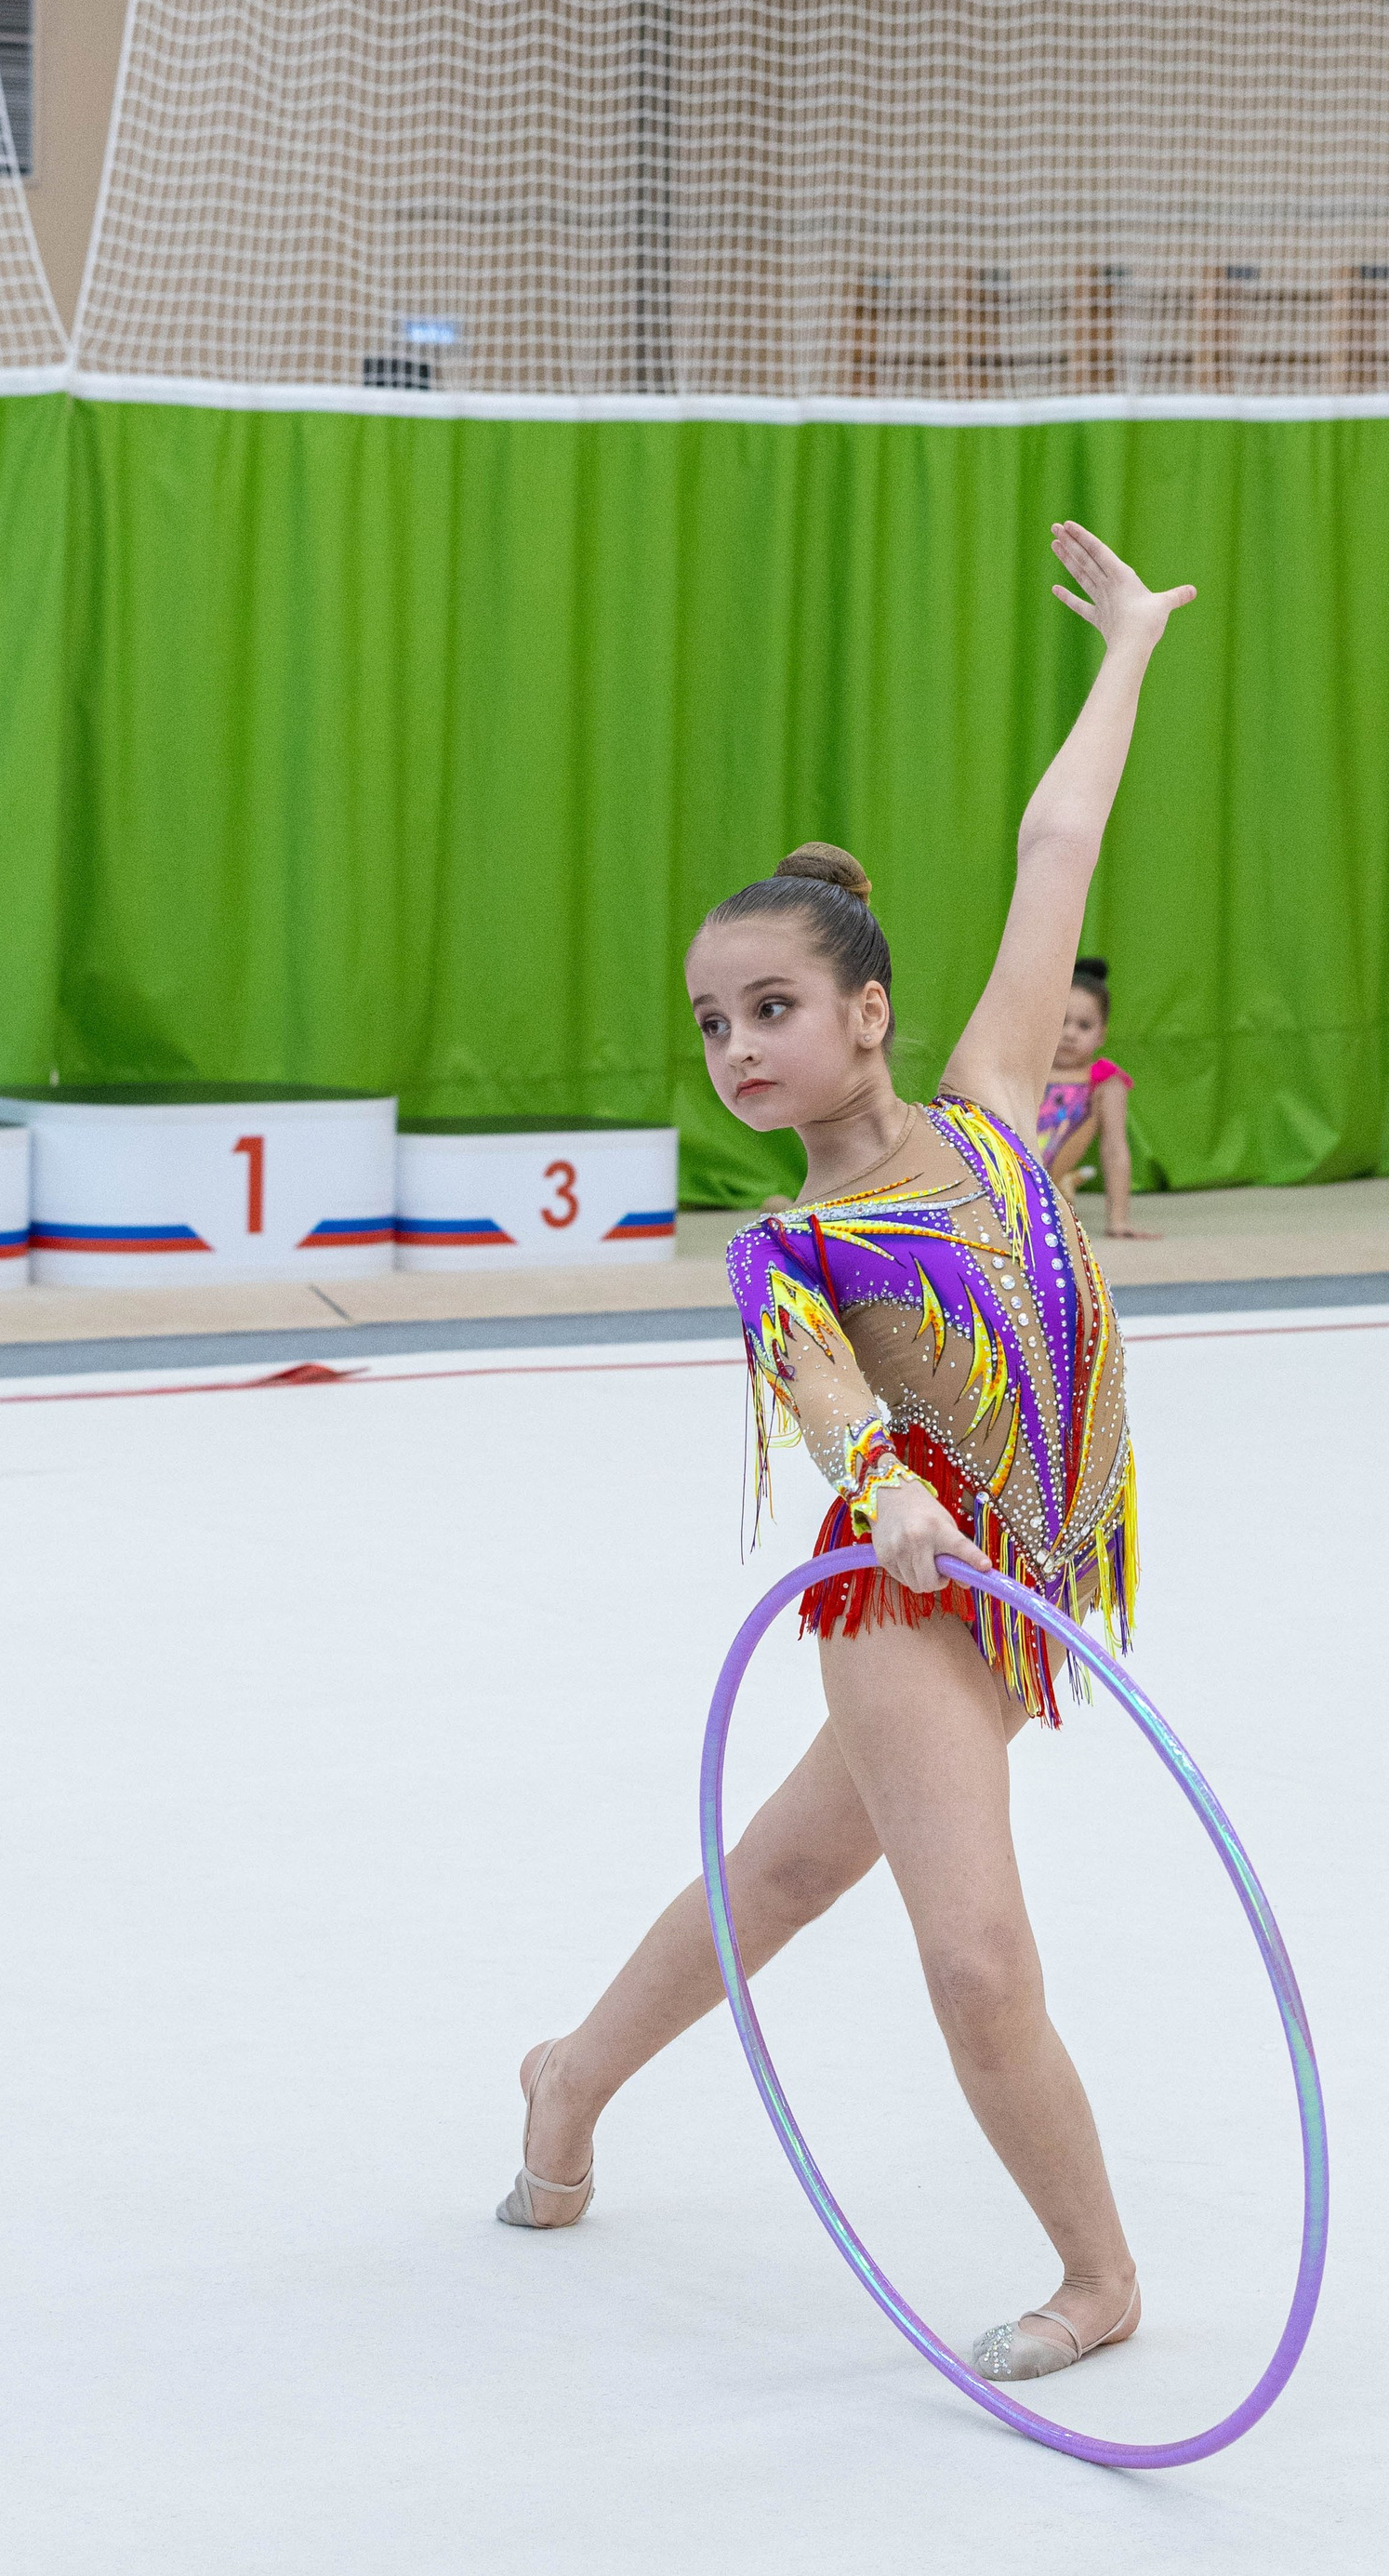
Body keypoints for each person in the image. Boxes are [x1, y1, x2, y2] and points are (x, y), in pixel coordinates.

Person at [497, 521, 1197, 2386]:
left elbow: (1060, 845)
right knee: (974, 1960)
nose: (736, 1045)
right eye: (713, 1023)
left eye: (772, 1007)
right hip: (911, 1590)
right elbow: (825, 1399)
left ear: (866, 1009)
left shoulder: (988, 1110)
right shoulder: (783, 1250)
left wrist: (1125, 643)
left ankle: (567, 2078)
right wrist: (883, 1490)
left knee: (783, 1878)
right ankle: (1100, 2273)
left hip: (1012, 1595)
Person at [1038, 957, 1159, 1240]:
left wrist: (1118, 1220)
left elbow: (1114, 1148)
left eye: (1084, 1026)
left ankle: (1059, 1193)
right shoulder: (1027, 1071)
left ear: (1101, 1035)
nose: (1069, 1034)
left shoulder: (1104, 1083)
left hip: (1043, 1191)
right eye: (1061, 1022)